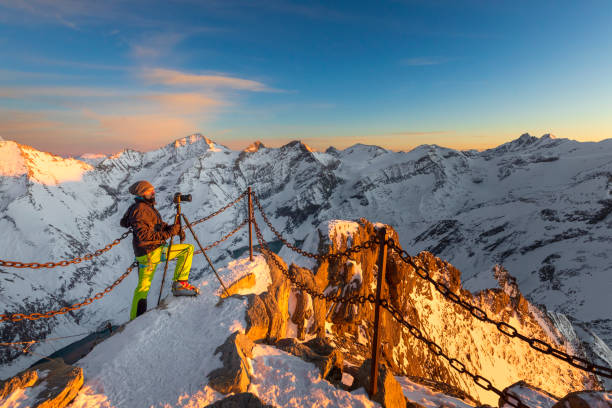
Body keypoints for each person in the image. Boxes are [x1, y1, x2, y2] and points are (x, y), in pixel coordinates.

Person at [120, 180, 198, 320]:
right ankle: (180, 284)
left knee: (142, 288)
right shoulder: (141, 210)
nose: (153, 193)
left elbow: (153, 225)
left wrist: (171, 228)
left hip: (145, 254)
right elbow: (145, 236)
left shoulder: (140, 207)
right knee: (187, 249)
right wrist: (170, 232)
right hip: (152, 252)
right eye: (150, 191)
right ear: (143, 193)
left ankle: (135, 319)